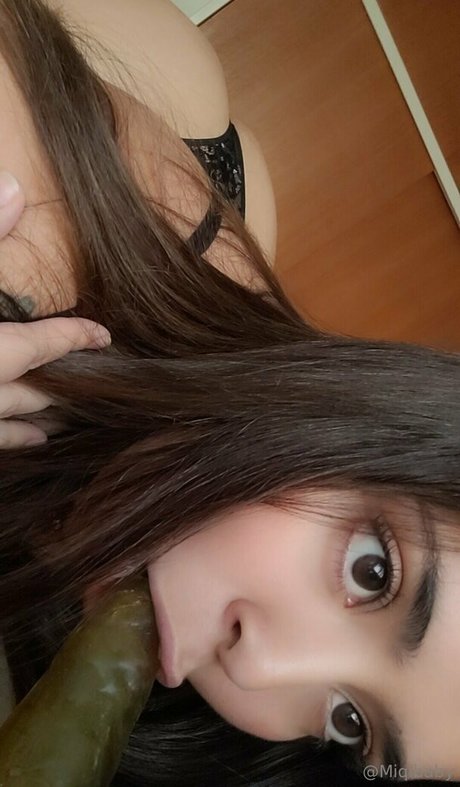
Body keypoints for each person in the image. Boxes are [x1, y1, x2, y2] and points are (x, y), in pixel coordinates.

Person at [0, 1, 459, 785]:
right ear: (363, 421)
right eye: (372, 570)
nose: (261, 669)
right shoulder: (27, 220)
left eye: (352, 724)